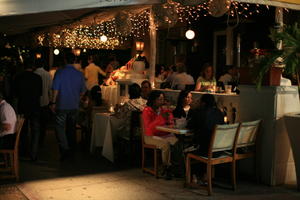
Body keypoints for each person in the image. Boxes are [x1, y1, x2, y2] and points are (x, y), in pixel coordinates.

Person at [50, 53, 86, 160]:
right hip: (73, 105)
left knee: (60, 128)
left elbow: (55, 89)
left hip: (61, 104)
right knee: (71, 128)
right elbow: (83, 91)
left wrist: (53, 102)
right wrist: (77, 99)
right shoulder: (79, 74)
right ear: (75, 60)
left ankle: (64, 148)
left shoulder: (60, 72)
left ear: (65, 60)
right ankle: (71, 150)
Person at [142, 90, 178, 178]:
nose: (162, 102)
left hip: (163, 134)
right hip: (149, 136)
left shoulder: (163, 110)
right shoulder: (147, 111)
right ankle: (166, 167)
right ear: (153, 100)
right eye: (159, 99)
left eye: (163, 99)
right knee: (165, 144)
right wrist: (161, 118)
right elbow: (149, 128)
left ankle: (176, 167)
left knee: (176, 142)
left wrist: (170, 118)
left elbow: (170, 122)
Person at [15, 59, 42, 161]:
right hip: (34, 106)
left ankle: (23, 151)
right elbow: (40, 94)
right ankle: (33, 153)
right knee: (35, 131)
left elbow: (16, 95)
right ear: (33, 67)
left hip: (23, 106)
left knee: (23, 131)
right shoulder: (37, 78)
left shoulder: (18, 78)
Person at [34, 59, 53, 147]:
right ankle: (41, 140)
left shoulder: (34, 74)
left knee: (35, 123)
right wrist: (52, 101)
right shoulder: (47, 74)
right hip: (45, 101)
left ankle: (35, 141)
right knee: (43, 124)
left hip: (36, 102)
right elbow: (50, 89)